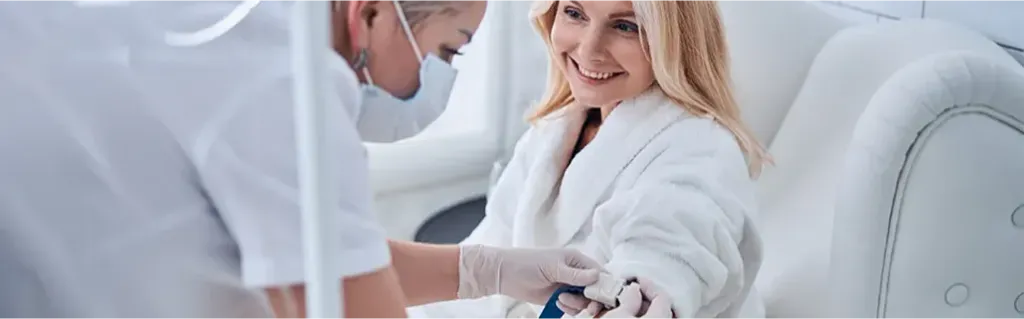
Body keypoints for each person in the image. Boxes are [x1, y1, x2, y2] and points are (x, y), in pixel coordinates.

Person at [0, 0, 651, 319]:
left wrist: (490, 268)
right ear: (370, 13)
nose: (441, 82)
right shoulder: (284, 79)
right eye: (448, 52)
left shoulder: (245, 30)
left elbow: (323, 254)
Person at [416, 0, 769, 318]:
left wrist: (646, 292)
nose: (589, 49)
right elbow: (492, 246)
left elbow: (672, 244)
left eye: (626, 26)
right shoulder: (556, 130)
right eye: (575, 13)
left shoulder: (701, 149)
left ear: (674, 40)